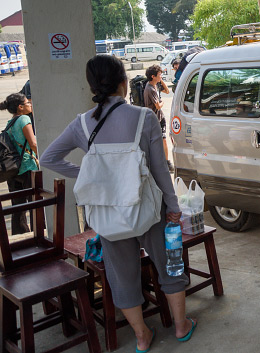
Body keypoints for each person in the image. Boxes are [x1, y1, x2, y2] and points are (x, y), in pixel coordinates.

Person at [40, 55, 196, 351]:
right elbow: (160, 168)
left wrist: (89, 176)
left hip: (109, 217)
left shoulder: (82, 125)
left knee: (121, 277)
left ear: (92, 86)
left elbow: (48, 158)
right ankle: (180, 326)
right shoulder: (143, 117)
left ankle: (141, 336)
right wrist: (173, 206)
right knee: (171, 267)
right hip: (151, 211)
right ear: (124, 83)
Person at [0, 93, 38, 235]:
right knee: (36, 202)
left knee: (17, 206)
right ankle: (38, 231)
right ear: (20, 107)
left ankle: (20, 235)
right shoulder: (24, 119)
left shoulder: (9, 123)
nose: (30, 105)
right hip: (28, 167)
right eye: (27, 103)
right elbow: (33, 143)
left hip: (13, 169)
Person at [144, 65, 174, 173]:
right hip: (155, 119)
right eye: (159, 75)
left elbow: (167, 91)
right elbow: (158, 106)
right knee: (162, 141)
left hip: (159, 118)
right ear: (153, 76)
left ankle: (165, 162)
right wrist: (163, 102)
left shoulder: (155, 85)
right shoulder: (150, 88)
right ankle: (165, 163)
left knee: (162, 140)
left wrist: (161, 81)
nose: (161, 76)